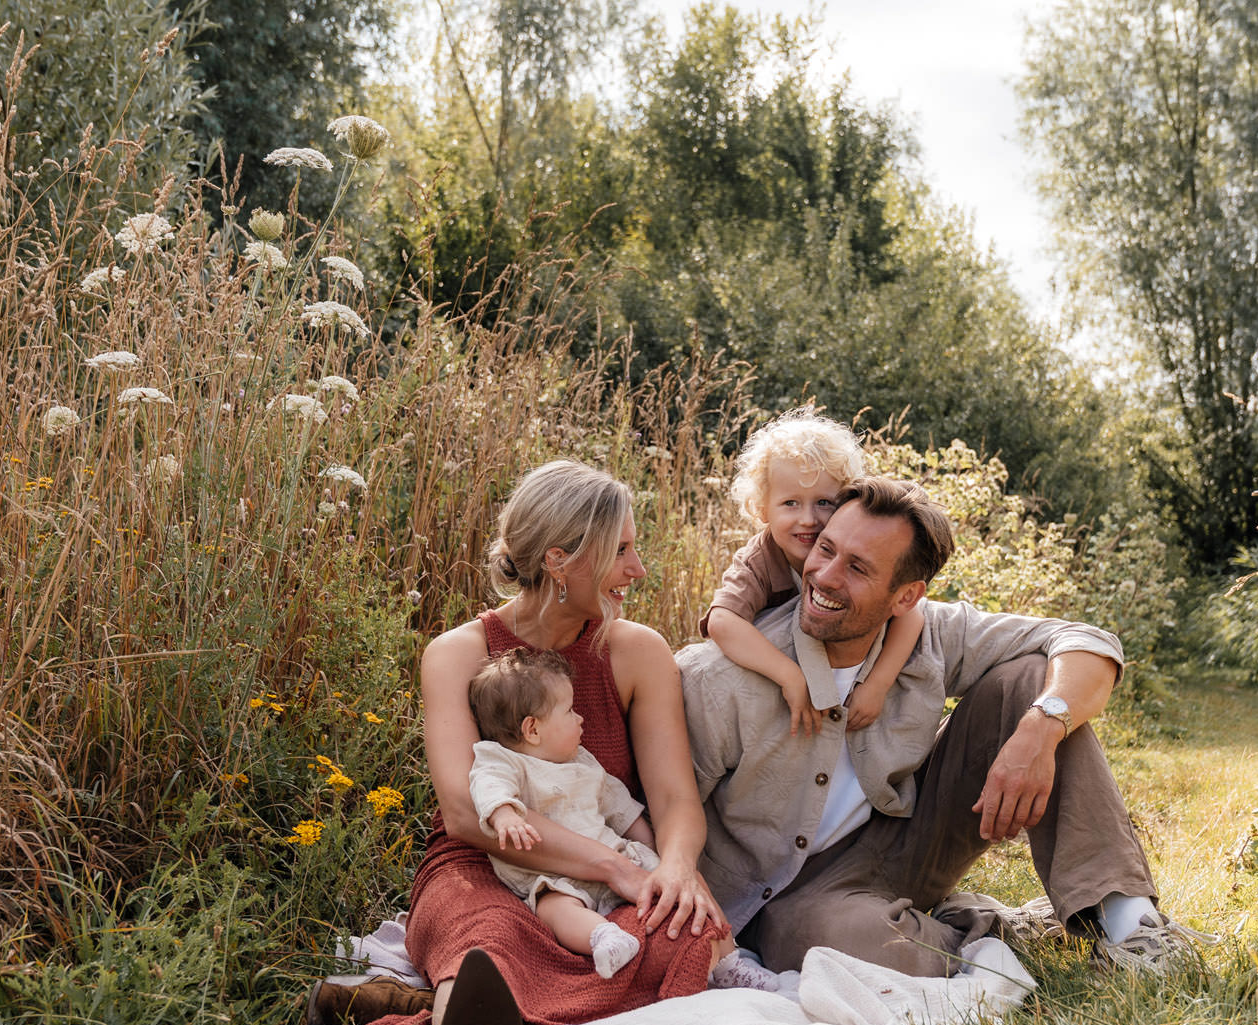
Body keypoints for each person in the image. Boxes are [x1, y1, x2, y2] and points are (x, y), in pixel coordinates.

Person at [314, 460, 750, 1025]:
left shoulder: (638, 652)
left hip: (604, 869)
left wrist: (671, 867)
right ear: (558, 560)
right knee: (487, 937)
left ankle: (413, 1006)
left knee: (678, 932)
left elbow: (673, 799)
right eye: (622, 551)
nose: (638, 569)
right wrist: (615, 867)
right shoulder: (457, 653)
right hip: (483, 861)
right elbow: (465, 813)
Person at [680, 476, 1205, 979]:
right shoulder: (722, 677)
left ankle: (1132, 928)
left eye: (858, 568)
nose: (825, 576)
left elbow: (1088, 642)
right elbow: (660, 818)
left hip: (905, 837)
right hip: (788, 893)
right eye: (825, 549)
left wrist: (1040, 728)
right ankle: (988, 933)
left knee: (1032, 680)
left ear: (906, 597)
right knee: (828, 940)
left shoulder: (931, 632)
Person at [703, 408, 925, 740]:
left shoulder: (857, 549)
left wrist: (879, 683)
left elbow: (913, 613)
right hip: (772, 698)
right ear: (762, 508)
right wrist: (788, 675)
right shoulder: (760, 559)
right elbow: (721, 620)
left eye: (824, 502)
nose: (808, 519)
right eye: (790, 503)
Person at [466, 648, 656, 979]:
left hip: (618, 858)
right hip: (556, 875)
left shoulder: (582, 761)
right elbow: (488, 784)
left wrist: (653, 852)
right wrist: (505, 815)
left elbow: (620, 808)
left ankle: (730, 959)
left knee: (674, 884)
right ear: (532, 730)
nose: (580, 718)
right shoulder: (503, 759)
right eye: (569, 711)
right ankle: (603, 937)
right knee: (553, 907)